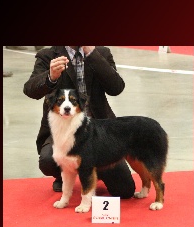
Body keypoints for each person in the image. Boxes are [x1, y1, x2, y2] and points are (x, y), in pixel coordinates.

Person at [23, 46, 135, 198]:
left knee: (125, 191)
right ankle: (64, 173)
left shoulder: (102, 53)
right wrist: (51, 76)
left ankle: (92, 171)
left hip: (99, 131)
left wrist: (92, 54)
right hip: (63, 130)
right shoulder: (48, 55)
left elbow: (116, 88)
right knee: (48, 160)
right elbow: (30, 90)